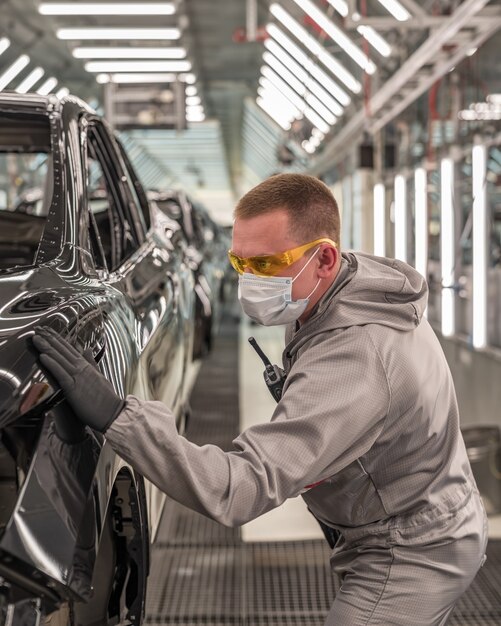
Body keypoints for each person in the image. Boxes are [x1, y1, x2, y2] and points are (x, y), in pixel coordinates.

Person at [32, 173, 487, 625]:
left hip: (410, 548)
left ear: (324, 258)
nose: (249, 281)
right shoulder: (339, 292)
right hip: (414, 516)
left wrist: (119, 416)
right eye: (240, 263)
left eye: (266, 265)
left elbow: (242, 488)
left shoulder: (354, 358)